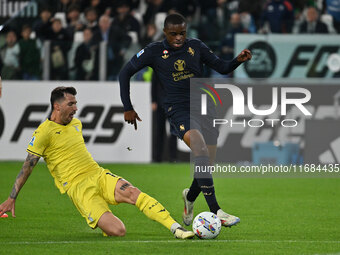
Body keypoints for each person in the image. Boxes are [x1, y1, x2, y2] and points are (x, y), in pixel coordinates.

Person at [0, 86, 194, 239]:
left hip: (98, 174)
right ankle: (103, 220)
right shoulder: (43, 132)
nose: (76, 108)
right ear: (57, 106)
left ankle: (175, 228)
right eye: (71, 104)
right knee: (119, 230)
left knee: (133, 192)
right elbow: (28, 166)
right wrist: (12, 197)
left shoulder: (76, 123)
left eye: (76, 103)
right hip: (79, 188)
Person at [119, 13, 251, 227]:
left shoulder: (196, 46)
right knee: (199, 149)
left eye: (182, 33)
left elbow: (222, 67)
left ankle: (189, 197)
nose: (179, 38)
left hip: (203, 106)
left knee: (206, 163)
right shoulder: (153, 51)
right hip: (178, 109)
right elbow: (125, 73)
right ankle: (217, 211)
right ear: (165, 32)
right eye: (173, 34)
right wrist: (128, 106)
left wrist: (237, 60)